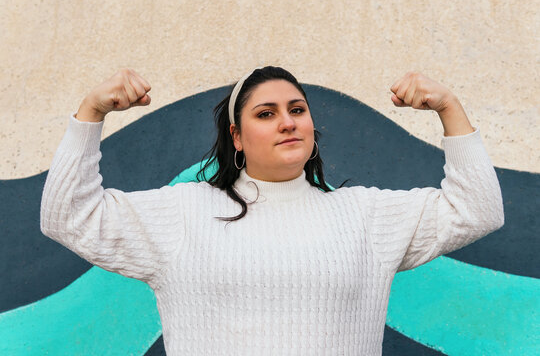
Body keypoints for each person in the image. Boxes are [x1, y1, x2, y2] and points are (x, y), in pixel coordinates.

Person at [40, 66, 504, 355]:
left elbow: (477, 209)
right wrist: (90, 113)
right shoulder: (184, 213)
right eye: (265, 113)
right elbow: (67, 215)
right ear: (236, 137)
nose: (287, 121)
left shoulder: (366, 217)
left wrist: (450, 109)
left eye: (297, 109)